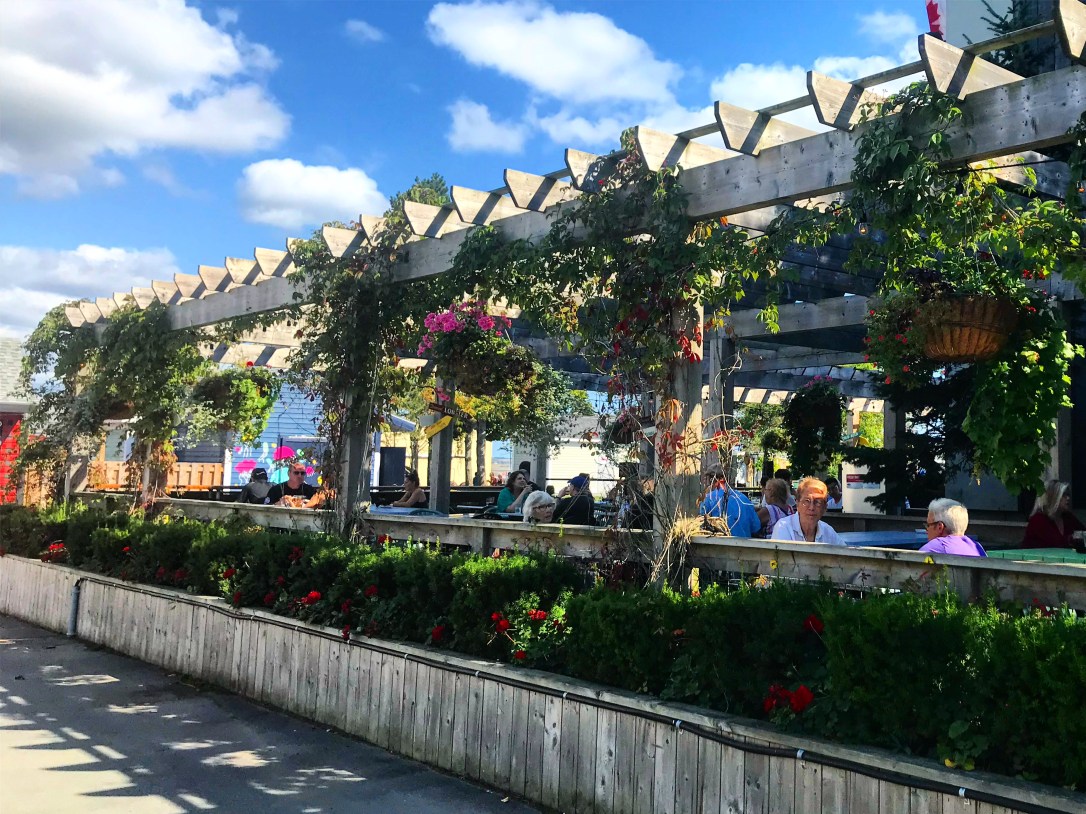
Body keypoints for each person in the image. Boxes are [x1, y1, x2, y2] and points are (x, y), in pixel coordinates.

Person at [771, 477, 843, 545]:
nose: (811, 507)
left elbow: (845, 553)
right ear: (797, 504)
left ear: (825, 508)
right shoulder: (784, 526)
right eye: (806, 501)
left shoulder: (828, 531)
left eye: (818, 502)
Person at [700, 465, 760, 538]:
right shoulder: (743, 499)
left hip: (719, 546)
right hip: (744, 547)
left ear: (711, 480)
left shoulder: (708, 499)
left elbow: (701, 530)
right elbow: (755, 528)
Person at [1022, 480, 1084, 549]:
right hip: (1038, 559)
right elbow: (1057, 543)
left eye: (1068, 495)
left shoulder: (1067, 516)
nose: (1068, 498)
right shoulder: (1038, 519)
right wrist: (1075, 539)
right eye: (1063, 495)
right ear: (1052, 497)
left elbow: (1083, 531)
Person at [920, 498, 986, 557]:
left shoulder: (934, 548)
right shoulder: (977, 547)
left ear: (940, 527)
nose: (927, 530)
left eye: (928, 525)